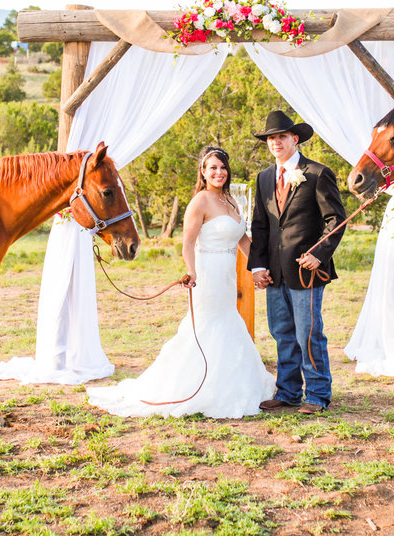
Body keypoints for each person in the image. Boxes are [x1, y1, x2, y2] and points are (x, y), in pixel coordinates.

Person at [86, 146, 274, 417]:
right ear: (203, 172)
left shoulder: (231, 201)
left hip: (227, 276)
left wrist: (258, 268)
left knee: (229, 322)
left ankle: (232, 384)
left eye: (222, 167)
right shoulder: (200, 201)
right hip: (206, 275)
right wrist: (192, 271)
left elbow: (243, 240)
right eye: (212, 168)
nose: (218, 172)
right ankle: (195, 387)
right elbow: (187, 243)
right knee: (207, 327)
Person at [249, 110, 347, 415]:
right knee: (282, 333)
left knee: (308, 332)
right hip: (274, 274)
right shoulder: (264, 177)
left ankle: (317, 394)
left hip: (307, 271)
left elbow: (337, 219)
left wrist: (320, 254)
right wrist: (258, 266)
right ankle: (288, 392)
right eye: (271, 138)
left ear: (295, 139)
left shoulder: (318, 173)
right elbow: (261, 225)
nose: (275, 142)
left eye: (281, 137)